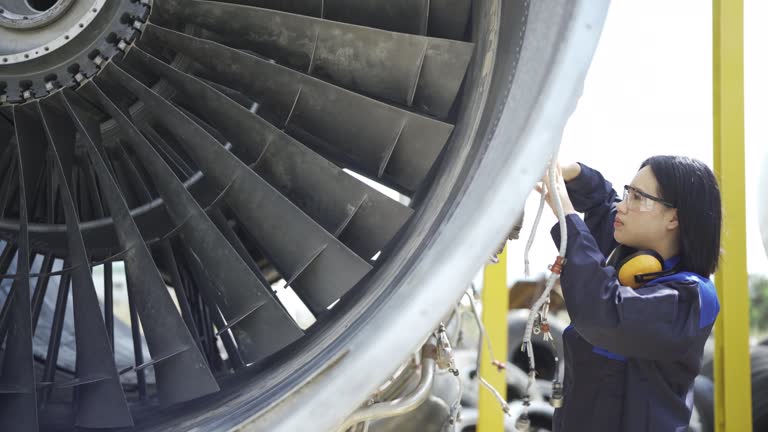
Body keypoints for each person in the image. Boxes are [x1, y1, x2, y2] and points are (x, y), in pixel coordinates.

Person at [537, 156, 722, 431]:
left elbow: (605, 314)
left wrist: (568, 216)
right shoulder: (627, 254)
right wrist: (568, 171)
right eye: (628, 193)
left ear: (674, 217)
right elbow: (601, 200)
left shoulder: (692, 299)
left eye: (637, 197)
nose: (623, 206)